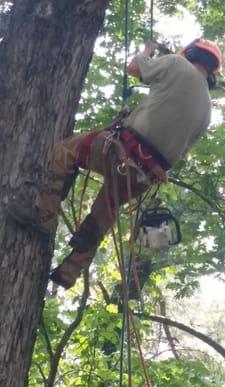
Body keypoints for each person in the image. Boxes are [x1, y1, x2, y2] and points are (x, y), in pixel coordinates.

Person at [6, 38, 222, 289]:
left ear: (190, 53)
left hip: (121, 150)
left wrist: (147, 51)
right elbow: (182, 147)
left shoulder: (177, 63)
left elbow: (134, 68)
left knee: (65, 151)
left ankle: (43, 214)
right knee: (106, 209)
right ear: (212, 74)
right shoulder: (207, 111)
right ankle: (70, 271)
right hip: (145, 175)